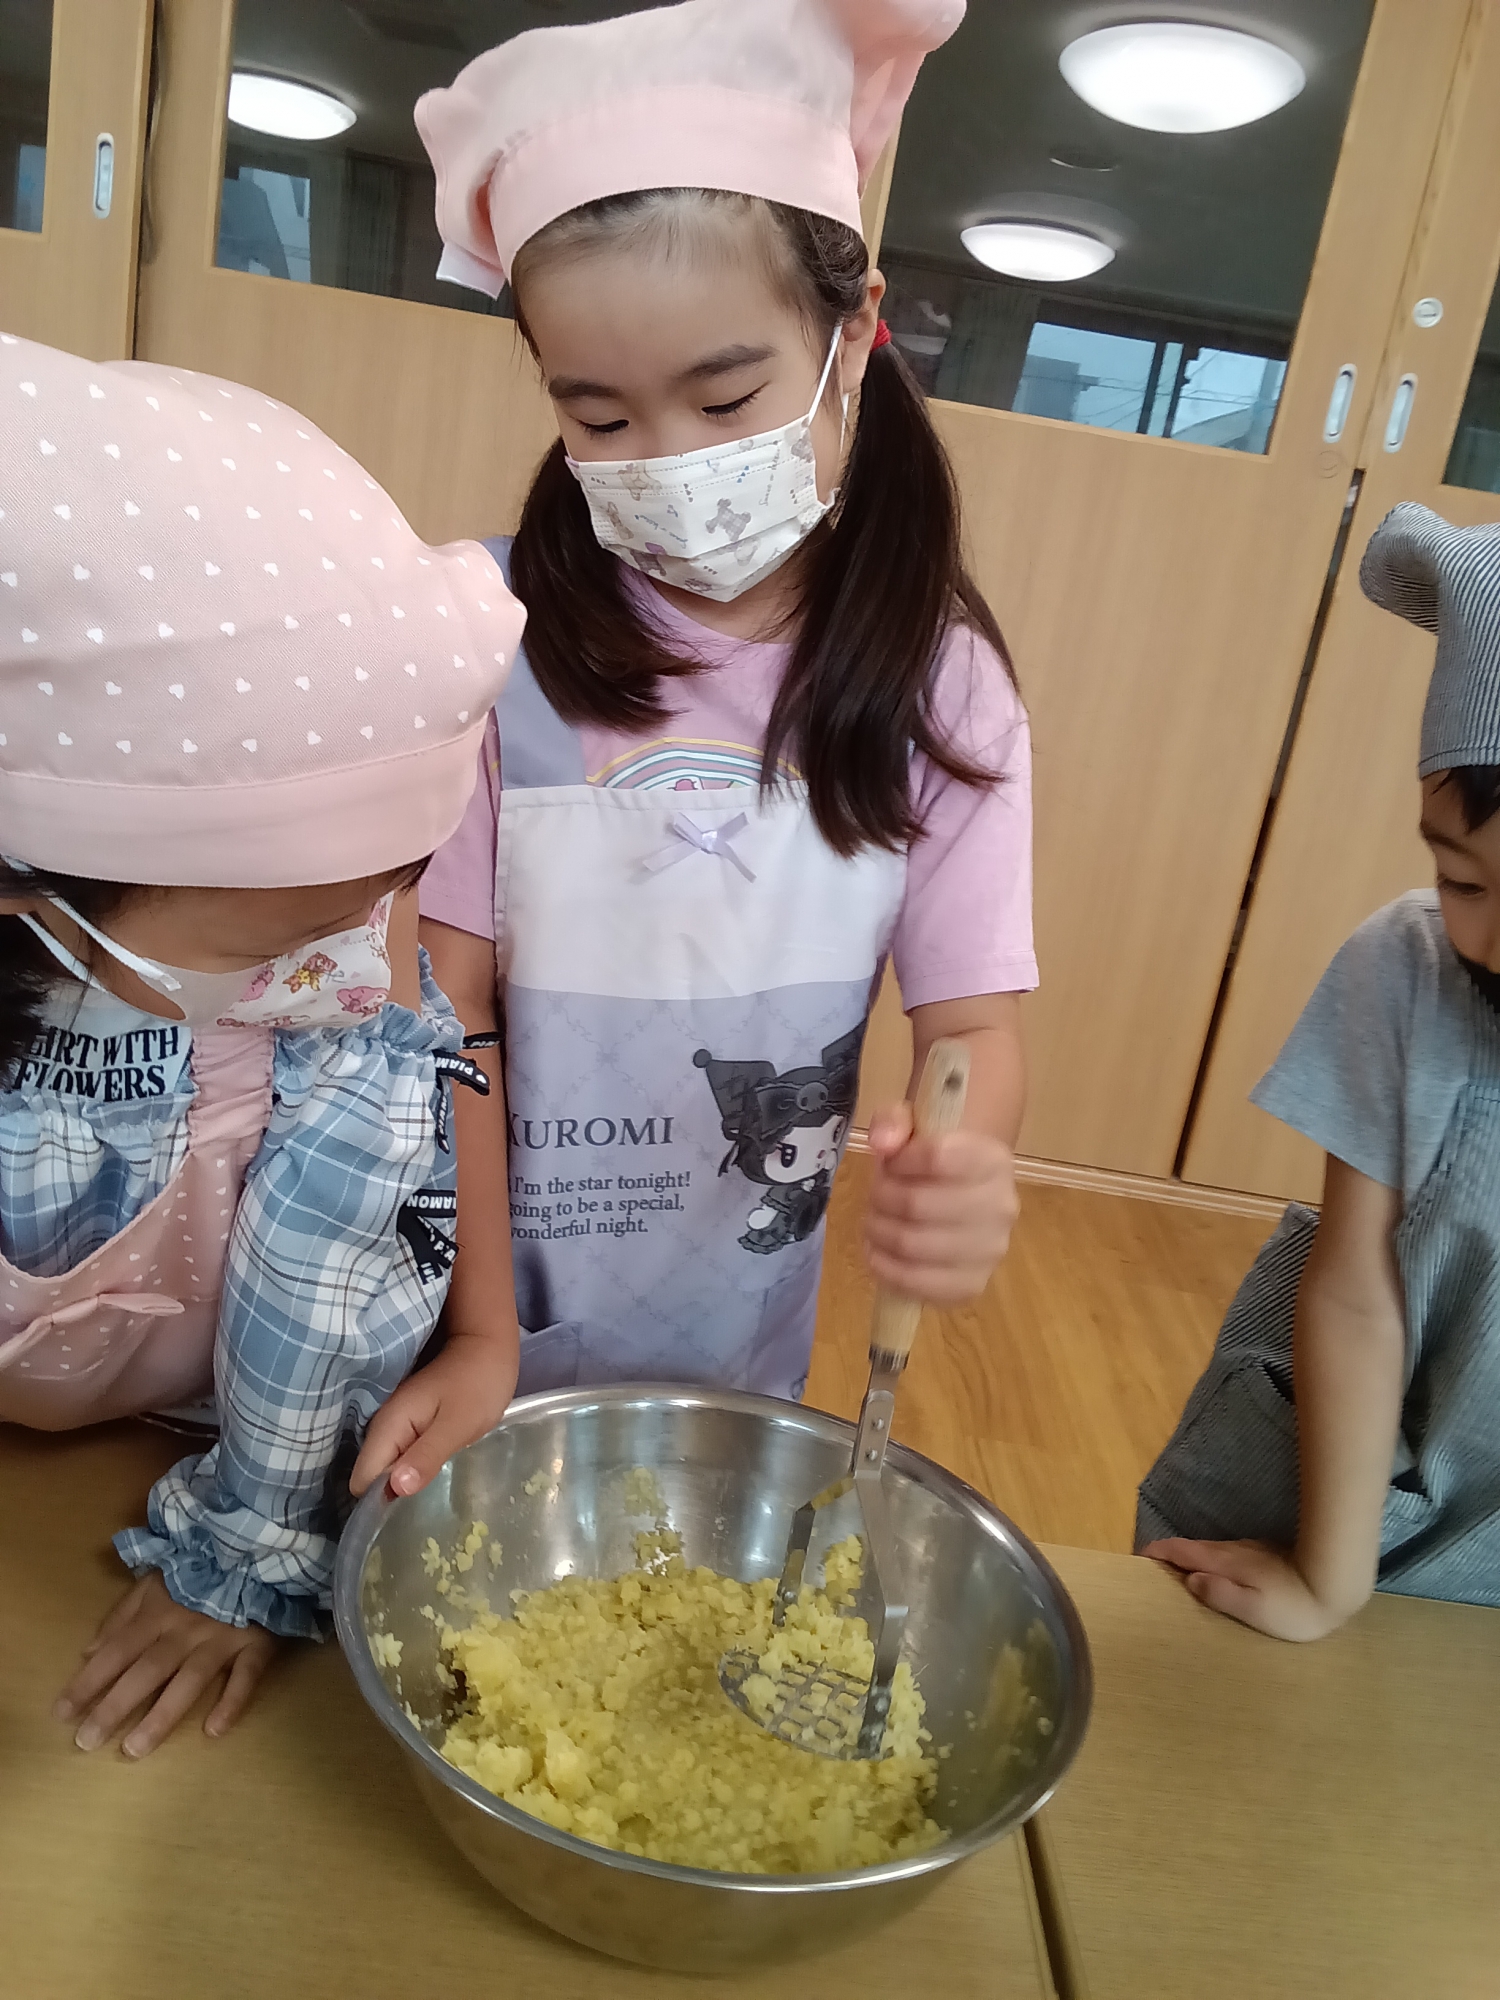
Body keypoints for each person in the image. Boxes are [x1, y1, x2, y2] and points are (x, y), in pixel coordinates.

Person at [411, 0, 1036, 1402]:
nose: (665, 461)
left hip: (740, 1331)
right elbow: (447, 1018)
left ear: (852, 335)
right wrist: (483, 1330)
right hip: (475, 1302)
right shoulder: (491, 637)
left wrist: (966, 1155)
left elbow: (972, 1028)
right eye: (601, 418)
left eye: (727, 398)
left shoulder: (941, 685)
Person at [0, 332, 524, 1753]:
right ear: (33, 890)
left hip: (196, 1445)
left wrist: (248, 1546)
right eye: (295, 930)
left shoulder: (343, 961)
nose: (357, 964)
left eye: (384, 897)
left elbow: (344, 1230)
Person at [1139, 503, 1500, 1635]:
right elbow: (1355, 1289)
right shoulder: (1406, 970)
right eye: (1466, 881)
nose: (1491, 941)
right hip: (1337, 1494)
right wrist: (1329, 1578)